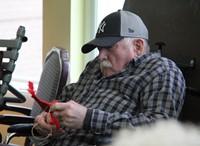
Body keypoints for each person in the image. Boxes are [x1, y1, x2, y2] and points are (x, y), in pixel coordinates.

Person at [33, 10, 185, 146]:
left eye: (110, 47)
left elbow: (160, 128)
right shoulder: (94, 66)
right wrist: (46, 118)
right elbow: (64, 98)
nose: (101, 56)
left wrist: (89, 119)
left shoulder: (161, 70)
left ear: (137, 46)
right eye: (99, 48)